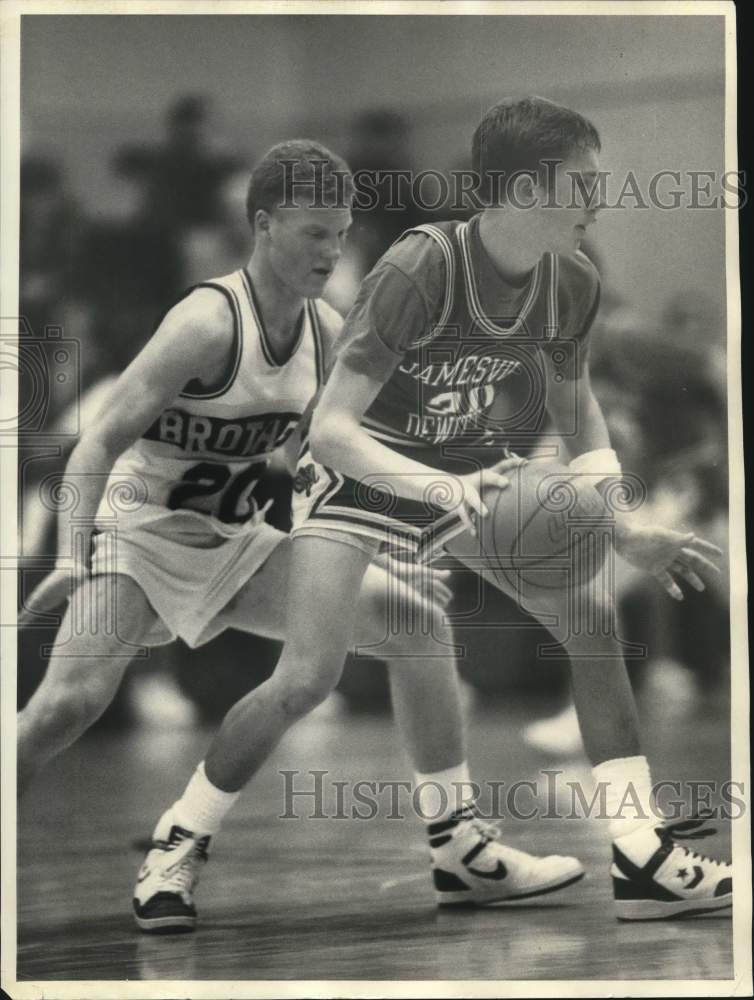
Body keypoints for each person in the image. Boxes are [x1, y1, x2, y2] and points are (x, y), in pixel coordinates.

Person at [18, 141, 585, 935]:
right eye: (314, 232)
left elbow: (342, 455)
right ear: (263, 225)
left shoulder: (327, 331)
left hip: (241, 543)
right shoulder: (206, 320)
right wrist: (71, 556)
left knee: (419, 626)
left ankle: (460, 849)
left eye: (342, 233)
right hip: (144, 539)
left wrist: (387, 541)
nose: (331, 250)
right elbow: (96, 442)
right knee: (62, 709)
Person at [283, 99, 731, 922]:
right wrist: (437, 491)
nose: (602, 200)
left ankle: (640, 856)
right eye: (584, 184)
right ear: (526, 188)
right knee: (306, 679)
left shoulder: (575, 278)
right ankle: (183, 838)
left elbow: (578, 410)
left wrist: (623, 524)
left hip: (462, 465)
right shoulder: (422, 266)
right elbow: (332, 428)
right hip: (356, 474)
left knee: (593, 622)